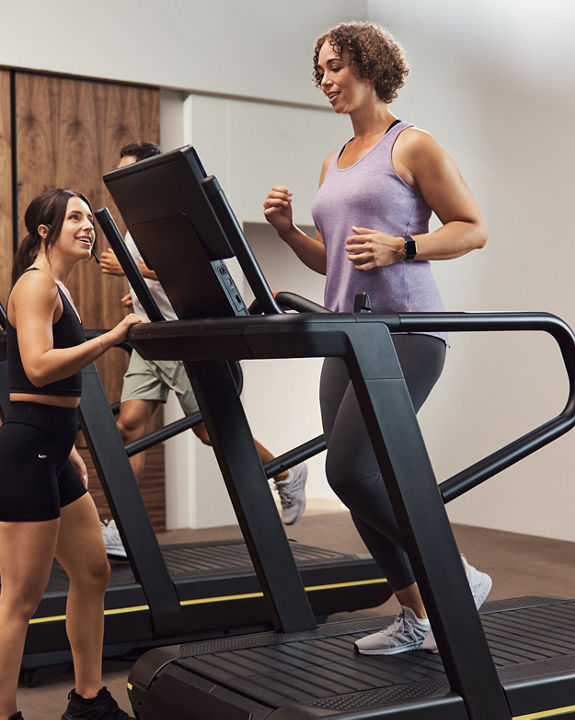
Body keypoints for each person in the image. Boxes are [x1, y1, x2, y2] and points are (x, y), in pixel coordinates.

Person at [263, 21, 491, 655]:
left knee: (351, 469)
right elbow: (332, 261)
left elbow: (472, 227)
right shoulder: (334, 160)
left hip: (408, 333)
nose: (327, 81)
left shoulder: (411, 145)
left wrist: (405, 246)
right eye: (321, 72)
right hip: (347, 335)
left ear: (369, 65)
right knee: (352, 479)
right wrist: (287, 232)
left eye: (336, 66)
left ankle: (457, 574)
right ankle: (418, 615)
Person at [98, 141, 307, 558]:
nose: (120, 184)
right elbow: (157, 283)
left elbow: (185, 272)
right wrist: (137, 297)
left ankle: (286, 470)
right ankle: (124, 527)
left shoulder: (167, 220)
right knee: (128, 425)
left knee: (210, 430)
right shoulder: (130, 225)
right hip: (147, 336)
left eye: (127, 174)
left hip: (179, 337)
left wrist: (130, 269)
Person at [0, 188, 143, 720]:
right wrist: (112, 337)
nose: (89, 226)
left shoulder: (56, 285)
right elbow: (37, 367)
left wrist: (71, 448)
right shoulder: (36, 285)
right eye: (76, 218)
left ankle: (87, 701)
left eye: (89, 218)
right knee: (20, 600)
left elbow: (52, 386)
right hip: (29, 449)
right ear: (45, 230)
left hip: (52, 450)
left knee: (92, 571)